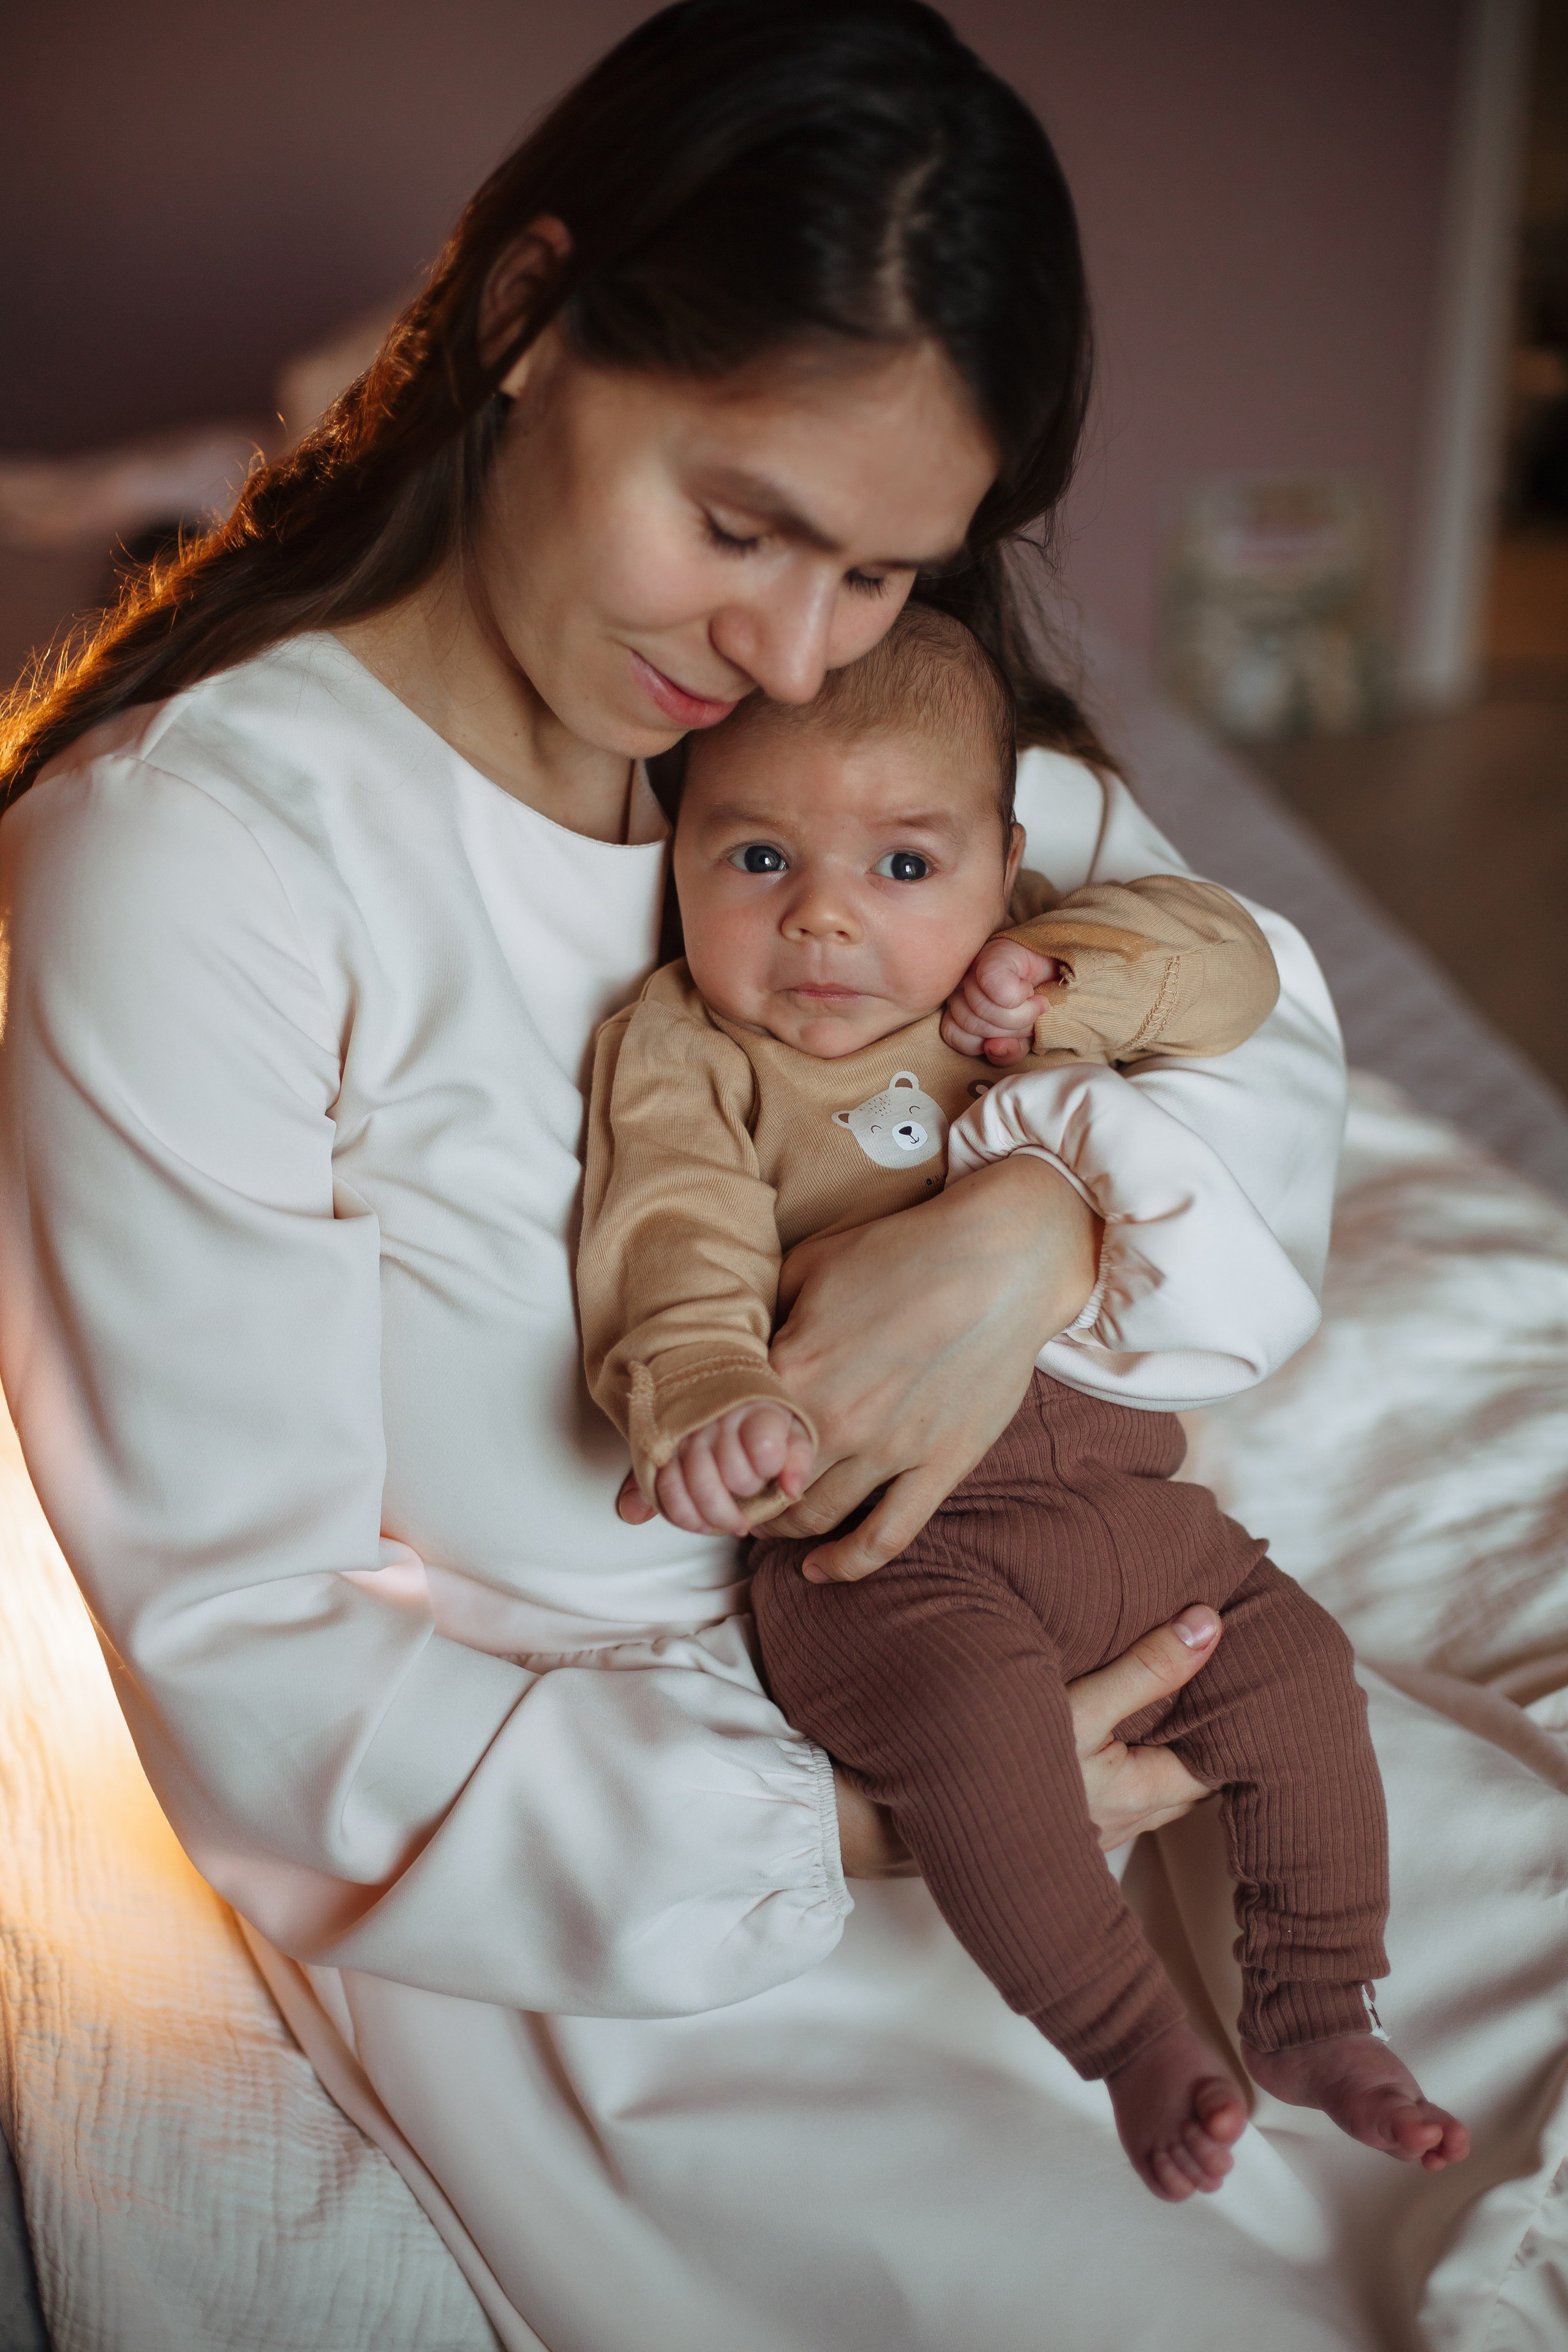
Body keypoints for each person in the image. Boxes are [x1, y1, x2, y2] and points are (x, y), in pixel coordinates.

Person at [0, 4, 1379, 2345]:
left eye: (879, 573)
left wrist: (1021, 1230)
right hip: (631, 1883)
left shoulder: (849, 737)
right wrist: (869, 1822)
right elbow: (254, 1664)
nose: (788, 647)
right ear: (529, 320)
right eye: (740, 526)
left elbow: (1255, 1015)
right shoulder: (201, 868)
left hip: (1073, 1644)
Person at [579, 602, 1468, 2202]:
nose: (830, 925)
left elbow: (1232, 962)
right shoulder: (689, 1044)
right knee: (976, 1733)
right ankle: (1127, 2033)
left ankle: (1317, 2003)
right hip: (889, 1556)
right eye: (759, 859)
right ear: (675, 852)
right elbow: (672, 1237)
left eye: (905, 868)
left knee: (1293, 1668)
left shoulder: (1037, 960)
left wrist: (1066, 986)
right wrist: (710, 1394)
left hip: (1132, 1513)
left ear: (1003, 859)